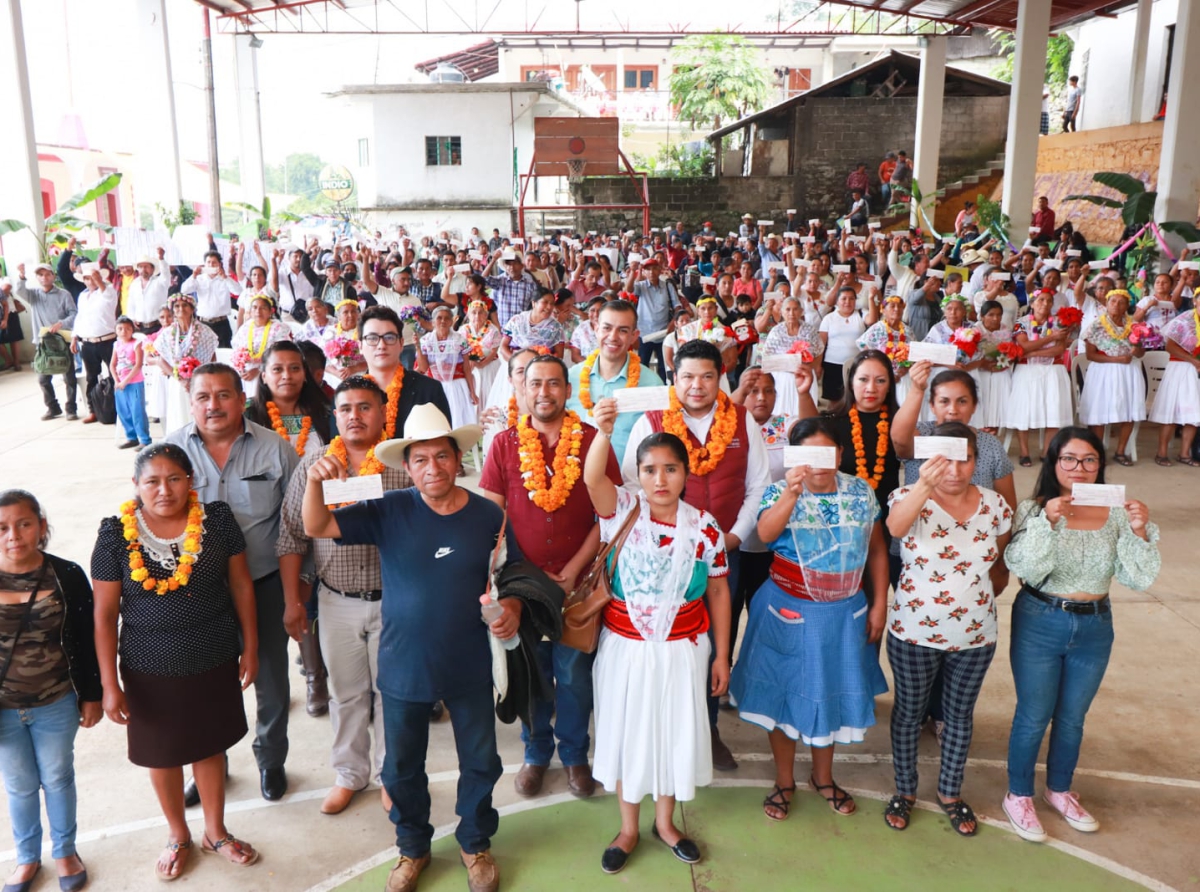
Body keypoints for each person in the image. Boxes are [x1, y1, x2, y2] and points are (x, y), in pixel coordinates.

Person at [302, 405, 518, 892]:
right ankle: (412, 848)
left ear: (458, 457)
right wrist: (315, 483)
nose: (432, 469)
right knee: (400, 769)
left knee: (481, 762)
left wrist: (515, 612)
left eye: (441, 457)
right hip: (402, 665)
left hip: (470, 664)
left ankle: (475, 844)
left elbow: (513, 575)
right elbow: (317, 526)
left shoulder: (488, 514)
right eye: (420, 460)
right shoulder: (389, 508)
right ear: (408, 465)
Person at [91, 445, 260, 879]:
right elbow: (105, 614)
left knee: (210, 745)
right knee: (162, 754)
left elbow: (241, 586)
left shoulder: (216, 521)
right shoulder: (115, 534)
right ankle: (177, 834)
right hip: (149, 664)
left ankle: (216, 832)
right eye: (152, 481)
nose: (164, 490)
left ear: (191, 480)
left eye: (174, 479)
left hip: (213, 653)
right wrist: (110, 684)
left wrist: (252, 645)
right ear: (137, 486)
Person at [582, 418, 731, 875]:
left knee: (671, 733)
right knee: (629, 733)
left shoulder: (705, 529)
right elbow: (592, 477)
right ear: (637, 474)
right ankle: (628, 829)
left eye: (670, 469)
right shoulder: (622, 512)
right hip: (626, 649)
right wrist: (603, 431)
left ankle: (665, 824)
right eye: (649, 470)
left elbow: (720, 593)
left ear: (686, 473)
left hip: (683, 650)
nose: (660, 479)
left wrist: (722, 654)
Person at [1002, 429, 1160, 842]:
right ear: (1053, 463)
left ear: (1100, 466)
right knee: (1034, 715)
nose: (1079, 469)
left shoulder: (1119, 514)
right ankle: (1019, 795)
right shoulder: (1034, 509)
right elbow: (1024, 567)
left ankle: (1059, 790)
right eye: (1069, 459)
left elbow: (1137, 577)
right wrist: (1048, 523)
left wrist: (1140, 531)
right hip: (1041, 619)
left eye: (1089, 460)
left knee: (1072, 719)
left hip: (1095, 624)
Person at [620, 339, 771, 771]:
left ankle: (707, 731)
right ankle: (656, 732)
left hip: (723, 552)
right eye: (687, 376)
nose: (697, 385)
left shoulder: (742, 422)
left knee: (712, 644)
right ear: (674, 377)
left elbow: (758, 486)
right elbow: (633, 485)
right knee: (660, 641)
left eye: (707, 376)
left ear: (720, 378)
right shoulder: (650, 421)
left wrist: (735, 537)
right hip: (662, 557)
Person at [730, 416, 889, 820]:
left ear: (839, 453)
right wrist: (791, 491)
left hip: (843, 614)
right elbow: (765, 535)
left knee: (829, 694)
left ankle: (823, 777)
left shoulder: (860, 491)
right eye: (807, 454)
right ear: (792, 456)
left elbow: (876, 551)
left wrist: (880, 603)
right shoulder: (778, 492)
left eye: (827, 452)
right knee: (784, 698)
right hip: (788, 609)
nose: (819, 463)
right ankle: (784, 781)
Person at [481, 355, 622, 799]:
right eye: (534, 382)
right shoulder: (504, 444)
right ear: (521, 389)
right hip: (523, 587)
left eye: (554, 384)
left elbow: (609, 513)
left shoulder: (593, 440)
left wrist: (574, 569)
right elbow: (490, 515)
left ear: (568, 389)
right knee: (533, 673)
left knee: (574, 674)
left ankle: (576, 755)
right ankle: (536, 753)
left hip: (576, 585)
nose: (544, 392)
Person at [165, 365, 299, 806]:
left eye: (223, 395)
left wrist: (299, 590)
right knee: (204, 682)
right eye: (203, 397)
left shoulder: (274, 449)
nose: (213, 405)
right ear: (191, 402)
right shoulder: (169, 453)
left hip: (263, 584)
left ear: (242, 399)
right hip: (197, 593)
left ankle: (271, 760)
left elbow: (295, 523)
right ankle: (210, 765)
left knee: (272, 678)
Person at [277, 377, 410, 815]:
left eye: (365, 407)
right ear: (335, 416)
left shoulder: (401, 464)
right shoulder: (315, 463)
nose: (355, 415)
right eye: (346, 407)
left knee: (391, 693)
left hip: (394, 598)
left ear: (382, 412)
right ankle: (350, 774)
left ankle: (392, 775)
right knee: (347, 693)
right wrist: (294, 601)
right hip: (335, 600)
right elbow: (292, 537)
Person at [883, 422, 1013, 836]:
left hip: (975, 635)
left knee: (958, 716)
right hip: (913, 631)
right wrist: (924, 484)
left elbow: (1000, 557)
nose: (955, 470)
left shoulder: (994, 504)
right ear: (926, 460)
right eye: (944, 459)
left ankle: (950, 792)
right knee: (909, 713)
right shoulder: (906, 496)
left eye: (965, 459)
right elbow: (895, 529)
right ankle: (905, 790)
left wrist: (981, 593)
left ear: (976, 461)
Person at [0, 491, 100, 892]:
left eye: (24, 524)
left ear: (41, 525)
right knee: (19, 783)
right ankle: (27, 858)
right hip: (3, 711)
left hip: (56, 701)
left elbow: (88, 638)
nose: (14, 535)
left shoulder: (67, 575)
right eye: (2, 528)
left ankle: (64, 851)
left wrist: (92, 694)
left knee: (58, 776)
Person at [1005, 290, 1074, 467]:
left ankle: (1046, 452)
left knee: (1053, 410)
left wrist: (1032, 350)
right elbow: (1023, 345)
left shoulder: (1059, 323)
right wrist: (1050, 338)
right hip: (1027, 371)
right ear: (1033, 303)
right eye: (1041, 300)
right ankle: (1024, 452)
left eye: (1049, 301)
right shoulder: (1021, 323)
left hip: (1053, 370)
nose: (1045, 303)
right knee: (1024, 411)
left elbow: (1059, 350)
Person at [1078, 290, 1146, 466]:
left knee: (1129, 413)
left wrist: (1137, 350)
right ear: (1106, 304)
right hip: (1103, 371)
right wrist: (1116, 359)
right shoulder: (1095, 326)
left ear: (1126, 306)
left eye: (1121, 302)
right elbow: (1091, 356)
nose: (1117, 305)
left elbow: (1141, 352)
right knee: (1099, 413)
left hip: (1128, 372)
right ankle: (1097, 453)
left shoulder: (1134, 326)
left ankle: (1121, 451)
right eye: (1113, 301)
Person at [16, 262, 79, 421]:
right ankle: (53, 407)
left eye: (47, 274)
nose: (44, 277)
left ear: (53, 276)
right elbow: (19, 291)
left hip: (62, 340)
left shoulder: (64, 294)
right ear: (37, 278)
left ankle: (71, 409)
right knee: (43, 378)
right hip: (43, 343)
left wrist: (61, 323)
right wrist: (21, 276)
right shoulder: (34, 294)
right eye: (40, 275)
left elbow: (74, 314)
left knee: (69, 377)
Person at [153, 293, 220, 436]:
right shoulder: (167, 333)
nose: (181, 309)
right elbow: (160, 359)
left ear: (192, 309)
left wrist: (200, 376)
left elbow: (212, 356)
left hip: (200, 381)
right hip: (177, 382)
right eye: (176, 306)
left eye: (185, 305)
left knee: (198, 412)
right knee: (179, 414)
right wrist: (179, 378)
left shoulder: (204, 331)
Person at [1148, 301, 1200, 467]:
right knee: (1170, 414)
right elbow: (1169, 346)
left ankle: (1184, 454)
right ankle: (1161, 452)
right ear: (1195, 302)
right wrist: (1193, 360)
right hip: (1179, 368)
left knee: (1194, 415)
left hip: (1196, 372)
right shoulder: (1183, 321)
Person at [418, 306, 478, 430]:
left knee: (457, 422)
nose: (443, 321)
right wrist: (417, 348)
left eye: (446, 318)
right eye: (439, 318)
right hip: (435, 386)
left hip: (456, 385)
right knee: (437, 422)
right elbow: (423, 368)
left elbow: (466, 367)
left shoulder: (460, 340)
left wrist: (472, 391)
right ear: (433, 322)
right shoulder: (425, 341)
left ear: (452, 321)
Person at [761, 296, 823, 416]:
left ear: (801, 311)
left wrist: (813, 370)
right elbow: (767, 358)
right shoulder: (776, 332)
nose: (791, 313)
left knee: (805, 415)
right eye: (788, 309)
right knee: (782, 414)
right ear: (782, 312)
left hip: (805, 378)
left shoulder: (810, 331)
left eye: (795, 309)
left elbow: (819, 351)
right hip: (781, 380)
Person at [624, 257, 683, 376]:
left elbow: (677, 306)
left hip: (663, 332)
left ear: (660, 270)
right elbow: (629, 289)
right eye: (648, 269)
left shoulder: (667, 286)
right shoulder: (641, 286)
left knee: (663, 368)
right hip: (644, 333)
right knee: (642, 366)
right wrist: (632, 271)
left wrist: (673, 322)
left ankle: (662, 390)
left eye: (655, 269)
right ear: (644, 272)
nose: (651, 272)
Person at [231, 294, 292, 394]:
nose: (258, 311)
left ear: (270, 312)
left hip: (270, 373)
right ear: (250, 311)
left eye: (263, 308)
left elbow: (282, 355)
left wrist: (259, 370)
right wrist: (241, 368)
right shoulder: (245, 327)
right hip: (246, 374)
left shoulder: (278, 328)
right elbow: (236, 350)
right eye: (254, 308)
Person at [971, 299, 1016, 432]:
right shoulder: (974, 330)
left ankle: (995, 424)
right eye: (991, 315)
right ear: (982, 316)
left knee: (1002, 378)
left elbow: (1010, 353)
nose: (995, 318)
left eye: (998, 315)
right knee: (982, 380)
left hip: (1000, 368)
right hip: (979, 368)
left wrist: (1001, 365)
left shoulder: (1005, 330)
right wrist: (983, 364)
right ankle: (980, 425)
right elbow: (969, 353)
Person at [180, 252, 240, 348]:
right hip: (203, 323)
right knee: (203, 353)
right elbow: (184, 290)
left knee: (223, 354)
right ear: (204, 264)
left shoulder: (225, 279)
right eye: (208, 262)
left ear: (219, 264)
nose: (211, 265)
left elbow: (238, 291)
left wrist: (225, 277)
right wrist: (194, 275)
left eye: (214, 262)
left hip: (222, 324)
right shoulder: (199, 279)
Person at [818, 286, 867, 403]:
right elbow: (821, 344)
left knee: (855, 398)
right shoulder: (828, 318)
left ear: (855, 301)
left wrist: (871, 298)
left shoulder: (861, 314)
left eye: (851, 299)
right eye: (844, 298)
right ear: (837, 301)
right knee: (834, 400)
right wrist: (818, 365)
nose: (847, 302)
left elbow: (872, 320)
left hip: (856, 364)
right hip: (832, 364)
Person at [111, 316, 152, 449]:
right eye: (120, 328)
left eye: (128, 328)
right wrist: (117, 380)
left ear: (132, 330)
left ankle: (145, 440)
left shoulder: (136, 344)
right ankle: (131, 437)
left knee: (137, 411)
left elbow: (138, 365)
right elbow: (112, 365)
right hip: (120, 384)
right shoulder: (116, 344)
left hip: (134, 382)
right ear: (116, 330)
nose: (124, 331)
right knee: (123, 411)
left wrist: (125, 381)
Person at [500, 289, 565, 361]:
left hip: (541, 367)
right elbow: (503, 346)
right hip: (516, 365)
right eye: (545, 302)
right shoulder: (516, 321)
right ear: (534, 303)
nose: (549, 307)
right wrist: (516, 362)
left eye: (552, 303)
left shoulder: (556, 327)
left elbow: (559, 355)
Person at [484, 251, 540, 329]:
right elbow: (483, 279)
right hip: (503, 328)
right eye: (508, 264)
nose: (512, 267)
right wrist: (493, 260)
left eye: (515, 263)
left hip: (521, 329)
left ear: (521, 266)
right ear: (504, 266)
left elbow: (536, 305)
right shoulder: (500, 281)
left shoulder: (530, 284)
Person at [463, 298, 503, 405]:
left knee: (488, 396)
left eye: (480, 313)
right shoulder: (463, 330)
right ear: (468, 315)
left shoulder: (493, 330)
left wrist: (481, 364)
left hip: (488, 367)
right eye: (473, 313)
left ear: (486, 315)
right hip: (469, 368)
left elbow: (494, 352)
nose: (477, 316)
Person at [124, 252, 170, 336]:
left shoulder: (160, 282)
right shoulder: (134, 284)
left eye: (146, 267)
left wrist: (161, 258)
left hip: (158, 326)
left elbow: (166, 273)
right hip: (139, 328)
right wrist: (132, 319)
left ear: (152, 269)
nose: (143, 269)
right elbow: (131, 304)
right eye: (140, 267)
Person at [0, 278, 24, 372]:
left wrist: (2, 293)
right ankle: (8, 361)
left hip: (10, 312)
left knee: (14, 338)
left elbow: (6, 288)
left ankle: (16, 363)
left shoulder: (5, 279)